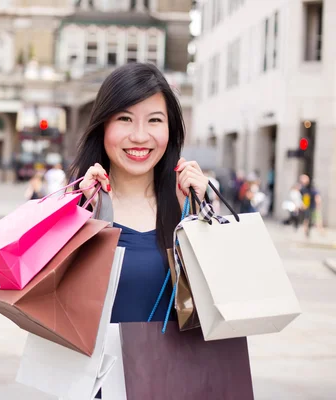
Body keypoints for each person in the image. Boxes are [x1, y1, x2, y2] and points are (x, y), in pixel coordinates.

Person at [69, 63, 250, 397]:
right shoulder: (79, 206)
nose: (139, 136)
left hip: (177, 384)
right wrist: (75, 216)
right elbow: (45, 302)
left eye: (154, 120)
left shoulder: (189, 207)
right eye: (124, 119)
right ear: (103, 126)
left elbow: (230, 305)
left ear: (171, 130)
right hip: (96, 388)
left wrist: (201, 215)